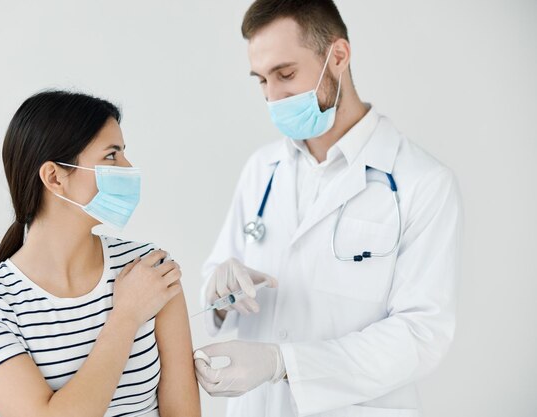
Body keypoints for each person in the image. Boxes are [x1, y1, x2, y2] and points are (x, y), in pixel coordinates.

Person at [193, 1, 463, 416]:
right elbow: (216, 281)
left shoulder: (421, 183)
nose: (273, 96)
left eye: (285, 74)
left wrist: (284, 363)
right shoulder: (261, 170)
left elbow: (419, 336)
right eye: (261, 80)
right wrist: (220, 290)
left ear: (338, 56)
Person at [0, 91, 200, 417]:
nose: (129, 168)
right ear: (54, 177)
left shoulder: (149, 268)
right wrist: (125, 317)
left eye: (124, 153)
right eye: (111, 156)